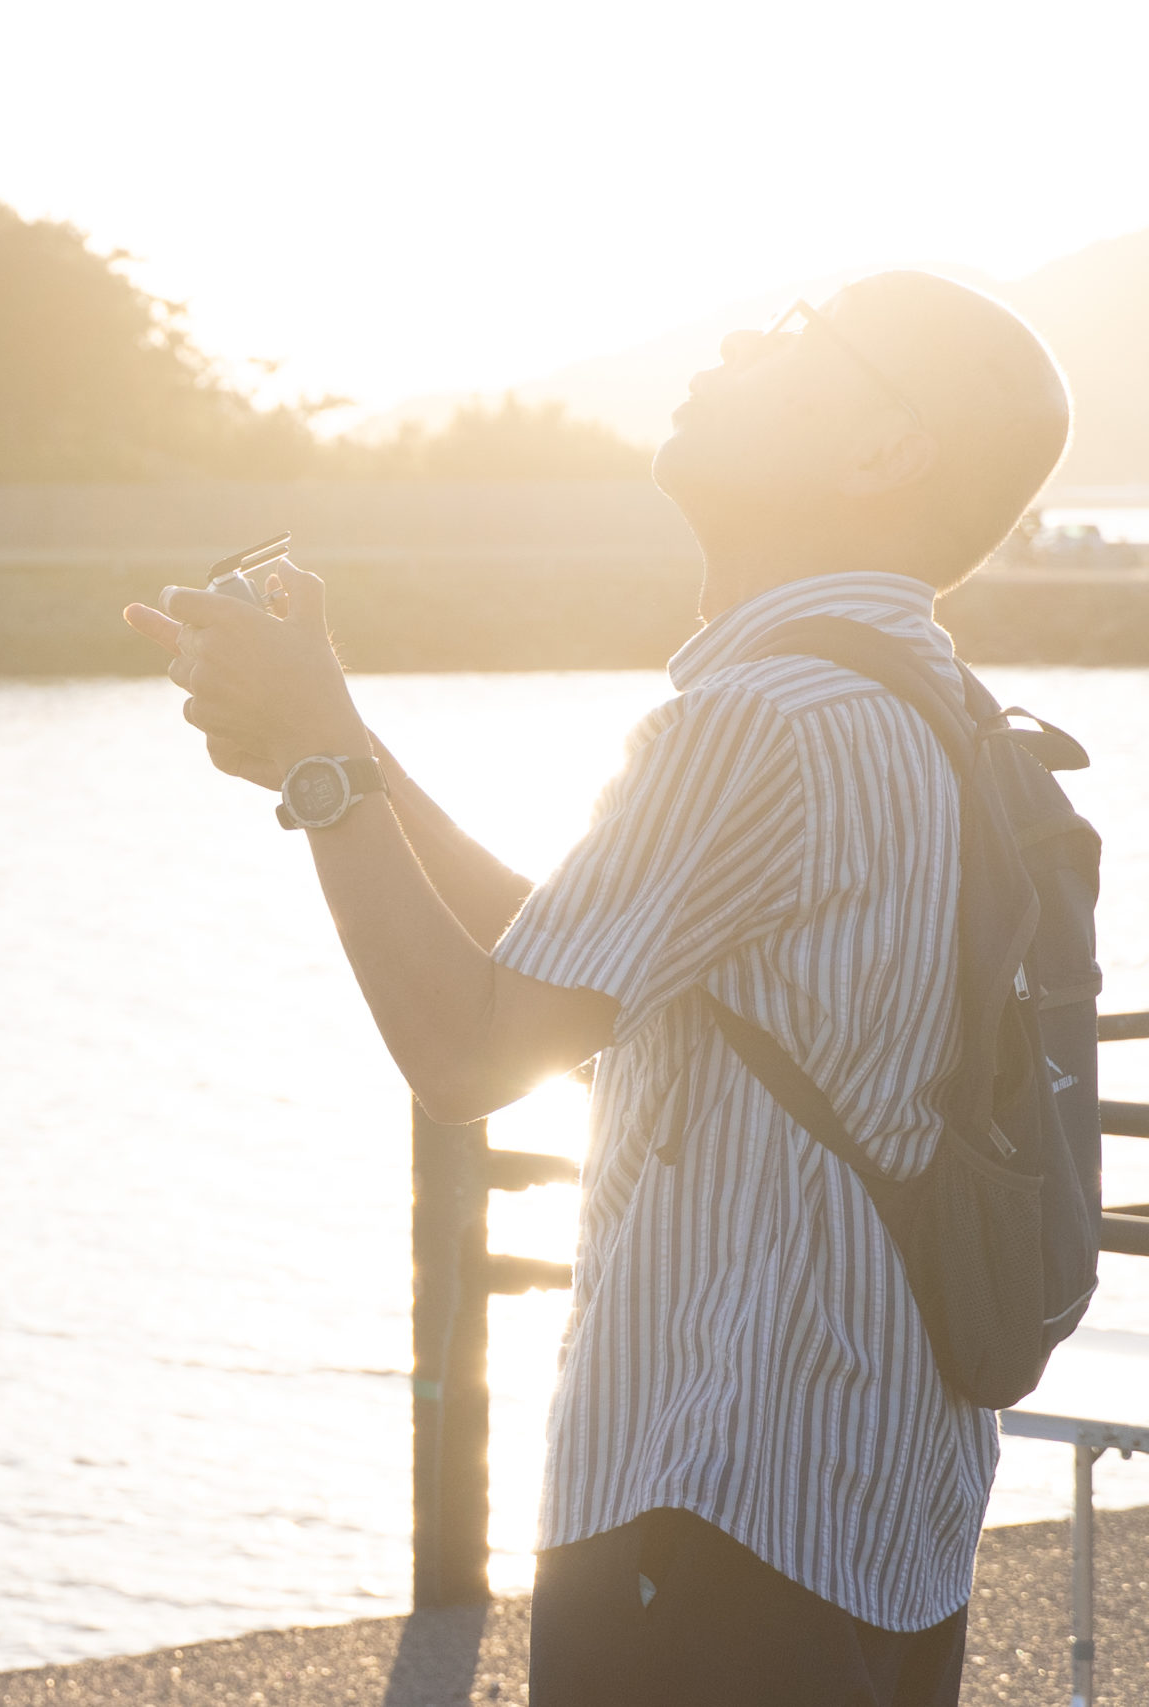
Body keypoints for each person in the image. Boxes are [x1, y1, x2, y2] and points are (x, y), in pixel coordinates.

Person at [124, 272, 1072, 1707]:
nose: (742, 340)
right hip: (884, 1512)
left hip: (711, 1505)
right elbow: (581, 987)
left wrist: (321, 775)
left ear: (887, 452)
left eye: (800, 333)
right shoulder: (927, 703)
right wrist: (340, 748)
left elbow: (469, 1051)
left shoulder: (759, 718)